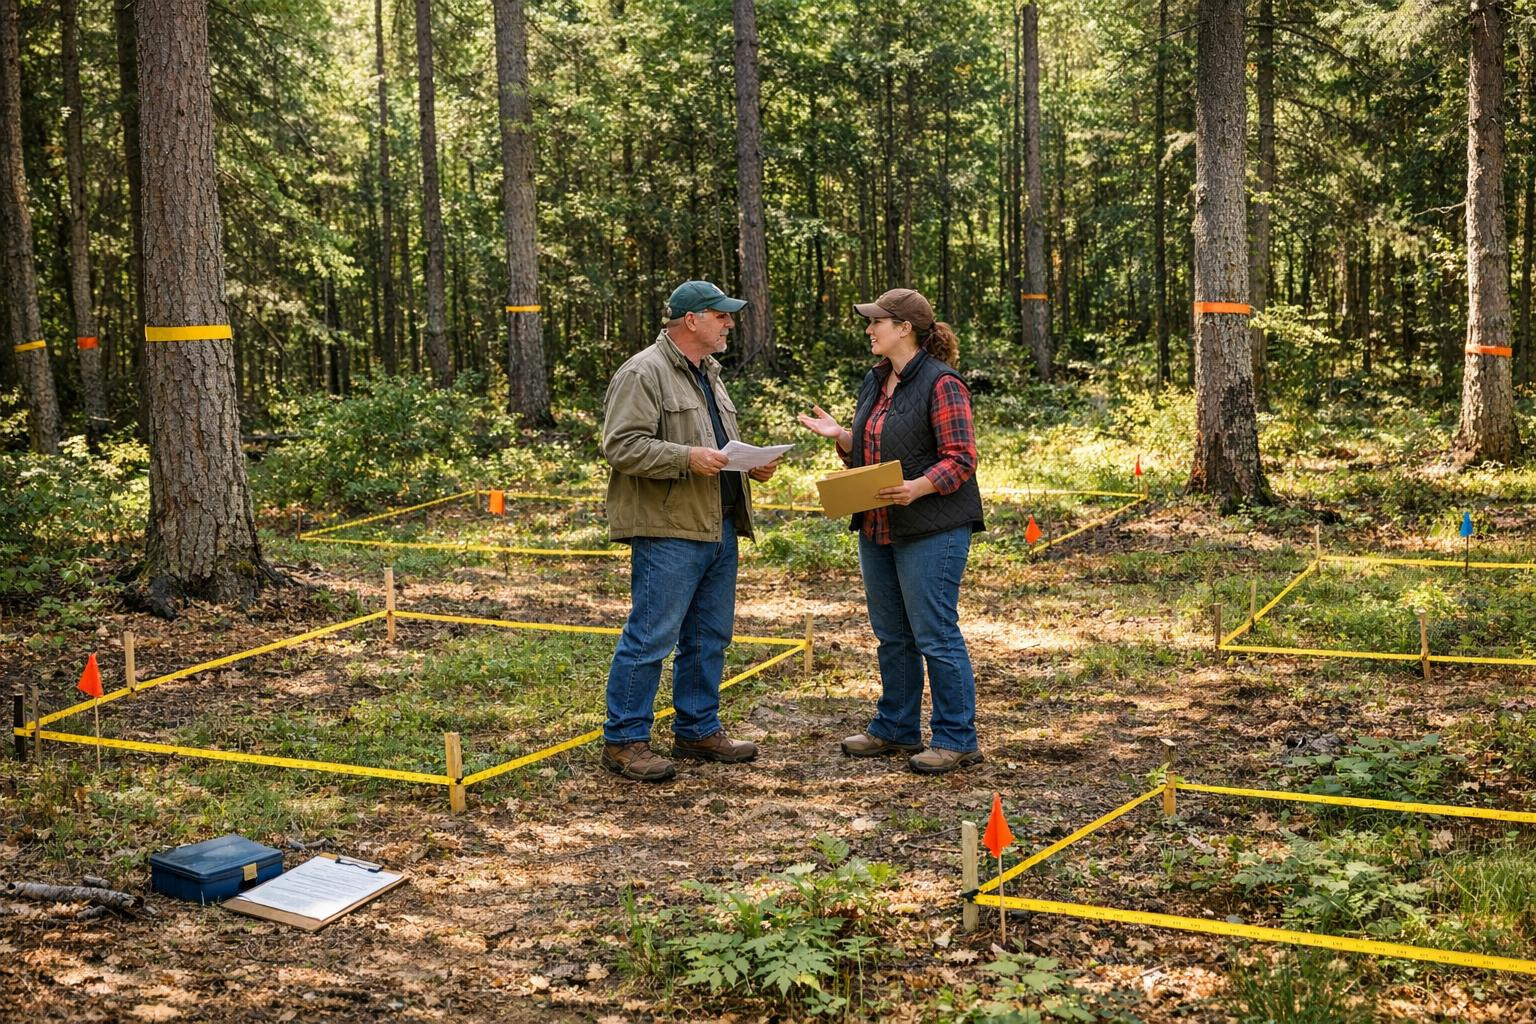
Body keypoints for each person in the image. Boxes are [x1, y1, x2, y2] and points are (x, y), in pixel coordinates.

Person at [797, 288, 985, 775]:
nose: (869, 328)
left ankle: (956, 738)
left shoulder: (942, 383)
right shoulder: (876, 379)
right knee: (892, 636)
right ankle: (897, 727)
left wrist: (918, 487)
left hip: (932, 527)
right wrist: (842, 436)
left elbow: (961, 458)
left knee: (935, 635)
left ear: (905, 328)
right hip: (878, 525)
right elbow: (872, 447)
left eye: (877, 321)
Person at [600, 280, 780, 782]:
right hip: (668, 528)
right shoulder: (644, 372)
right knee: (651, 637)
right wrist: (686, 458)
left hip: (716, 524)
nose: (729, 324)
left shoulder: (709, 374)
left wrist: (749, 464)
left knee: (709, 636)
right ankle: (624, 741)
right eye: (721, 316)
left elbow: (715, 444)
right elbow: (621, 446)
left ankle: (697, 729)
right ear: (692, 320)